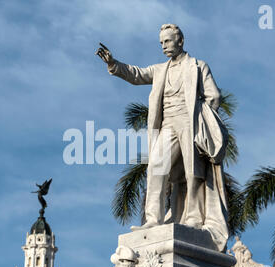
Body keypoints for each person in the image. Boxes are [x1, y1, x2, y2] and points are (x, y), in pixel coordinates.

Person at [96, 24, 229, 251]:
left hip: (190, 122)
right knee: (156, 167)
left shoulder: (198, 66)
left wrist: (203, 119)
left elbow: (214, 96)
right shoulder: (160, 70)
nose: (164, 46)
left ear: (180, 41)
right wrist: (112, 63)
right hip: (168, 124)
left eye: (167, 41)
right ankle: (153, 219)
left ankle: (194, 219)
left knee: (193, 172)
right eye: (161, 43)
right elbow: (136, 74)